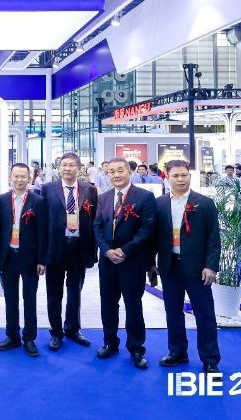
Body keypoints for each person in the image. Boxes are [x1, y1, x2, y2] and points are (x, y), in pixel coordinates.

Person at [150, 160, 221, 374]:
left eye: (184, 175)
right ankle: (177, 351)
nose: (180, 179)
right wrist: (151, 265)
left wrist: (211, 266)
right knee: (173, 311)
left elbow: (213, 238)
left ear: (190, 176)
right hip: (169, 265)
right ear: (167, 177)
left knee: (205, 313)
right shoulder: (159, 204)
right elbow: (152, 238)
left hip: (198, 268)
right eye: (175, 176)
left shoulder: (204, 203)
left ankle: (210, 359)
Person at [92, 156, 157, 370]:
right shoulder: (103, 198)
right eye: (112, 171)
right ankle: (110, 342)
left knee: (133, 305)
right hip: (108, 261)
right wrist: (106, 250)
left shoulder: (145, 196)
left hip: (132, 261)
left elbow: (147, 229)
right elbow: (97, 227)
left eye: (120, 170)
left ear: (130, 172)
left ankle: (136, 348)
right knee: (108, 304)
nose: (116, 175)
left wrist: (125, 250)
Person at [42, 152, 98, 351]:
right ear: (59, 168)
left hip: (79, 248)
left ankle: (73, 328)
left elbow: (94, 221)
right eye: (64, 165)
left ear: (79, 168)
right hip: (55, 248)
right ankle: (56, 332)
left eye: (71, 165)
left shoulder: (89, 190)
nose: (67, 168)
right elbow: (42, 221)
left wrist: (93, 251)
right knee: (54, 293)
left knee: (75, 291)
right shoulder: (47, 189)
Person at [0, 163, 46, 357]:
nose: (19, 180)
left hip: (30, 257)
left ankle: (29, 338)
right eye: (16, 176)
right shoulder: (2, 199)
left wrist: (42, 260)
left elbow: (42, 232)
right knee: (10, 299)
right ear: (10, 177)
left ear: (29, 178)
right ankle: (12, 336)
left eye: (23, 176)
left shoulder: (38, 201)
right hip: (8, 256)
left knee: (29, 299)